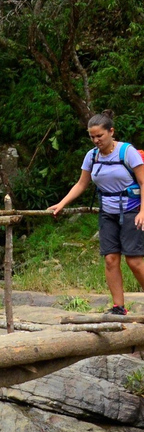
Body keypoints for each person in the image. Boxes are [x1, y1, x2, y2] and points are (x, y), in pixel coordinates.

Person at [47, 110, 144, 315]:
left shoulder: (127, 152)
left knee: (134, 261)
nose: (96, 140)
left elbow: (143, 182)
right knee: (110, 259)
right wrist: (62, 203)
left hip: (132, 210)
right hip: (107, 212)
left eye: (99, 135)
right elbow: (81, 184)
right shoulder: (92, 156)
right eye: (92, 137)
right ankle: (118, 307)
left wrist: (143, 211)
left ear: (111, 132)